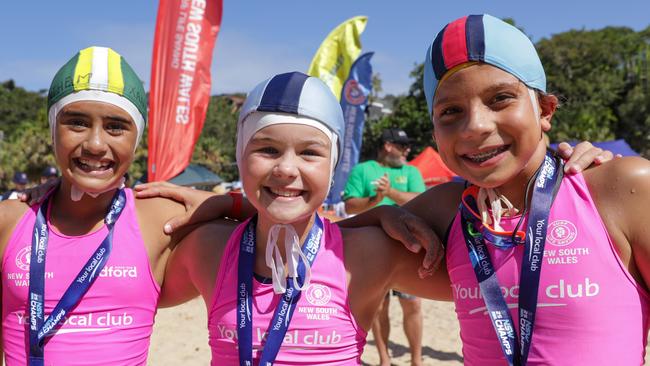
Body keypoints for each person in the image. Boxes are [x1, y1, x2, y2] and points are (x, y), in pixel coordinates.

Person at [134, 16, 632, 366]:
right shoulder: (448, 210)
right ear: (434, 129)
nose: (476, 127)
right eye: (450, 112)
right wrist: (239, 201)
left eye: (501, 99)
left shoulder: (621, 190)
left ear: (545, 109)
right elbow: (327, 236)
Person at [158, 71, 456, 365]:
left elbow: (490, 286)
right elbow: (120, 305)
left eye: (309, 152)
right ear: (241, 156)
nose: (286, 168)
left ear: (332, 167)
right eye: (268, 149)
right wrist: (232, 204)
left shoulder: (368, 253)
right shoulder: (209, 248)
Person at [0, 46, 187, 365]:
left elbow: (273, 215)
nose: (95, 144)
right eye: (76, 122)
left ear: (136, 139)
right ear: (52, 131)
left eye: (116, 126)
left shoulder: (160, 221)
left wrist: (223, 200)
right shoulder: (10, 220)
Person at [343, 128, 426, 366]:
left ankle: (417, 361)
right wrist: (375, 199)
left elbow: (420, 201)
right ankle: (384, 360)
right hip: (371, 250)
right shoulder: (363, 170)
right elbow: (350, 207)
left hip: (408, 248)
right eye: (403, 146)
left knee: (413, 304)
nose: (407, 150)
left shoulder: (410, 171)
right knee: (379, 308)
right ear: (388, 146)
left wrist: (390, 192)